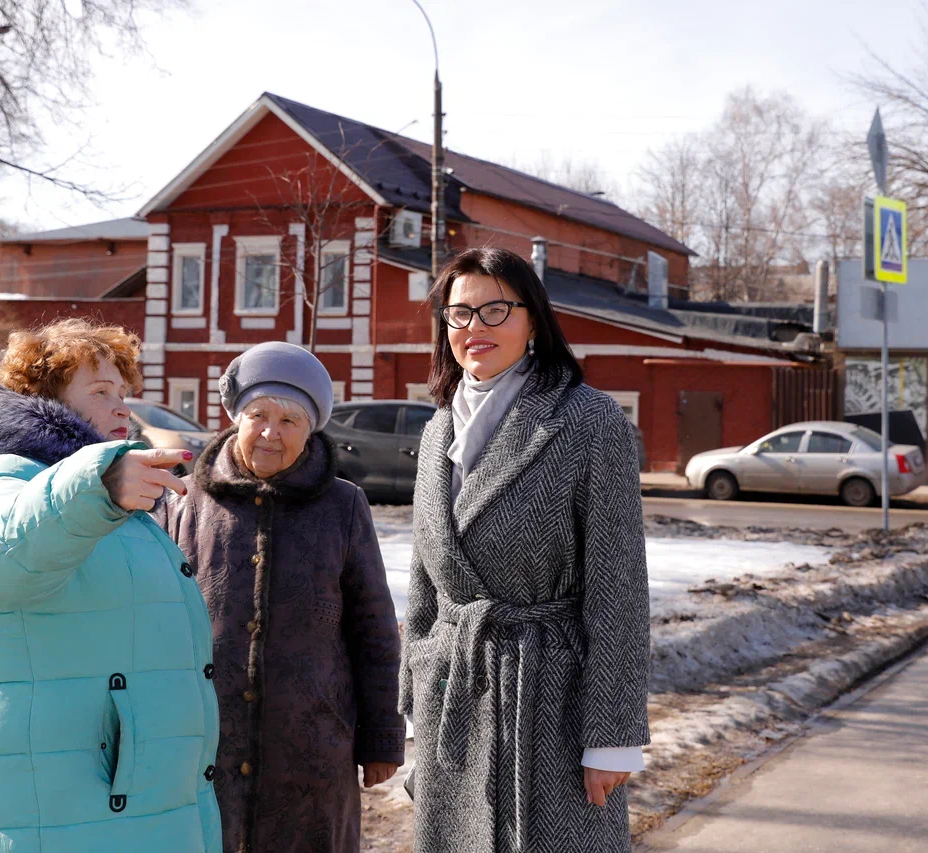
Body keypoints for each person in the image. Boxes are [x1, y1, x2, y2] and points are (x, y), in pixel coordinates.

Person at [0, 319, 221, 852]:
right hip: (58, 807)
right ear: (46, 401)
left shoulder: (94, 491)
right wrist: (93, 484)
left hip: (120, 805)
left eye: (122, 393)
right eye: (100, 392)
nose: (122, 409)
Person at [400, 248, 650, 852]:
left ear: (533, 319)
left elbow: (618, 589)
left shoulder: (589, 421)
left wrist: (612, 736)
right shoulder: (438, 429)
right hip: (453, 701)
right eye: (459, 314)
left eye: (495, 310)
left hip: (551, 704)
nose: (474, 329)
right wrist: (415, 707)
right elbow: (426, 585)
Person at [155, 341, 405, 853]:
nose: (271, 432)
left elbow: (374, 627)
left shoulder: (343, 505)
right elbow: (152, 621)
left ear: (311, 430)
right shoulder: (182, 501)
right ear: (235, 418)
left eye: (290, 421)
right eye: (258, 415)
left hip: (313, 745)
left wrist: (381, 735)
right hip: (204, 742)